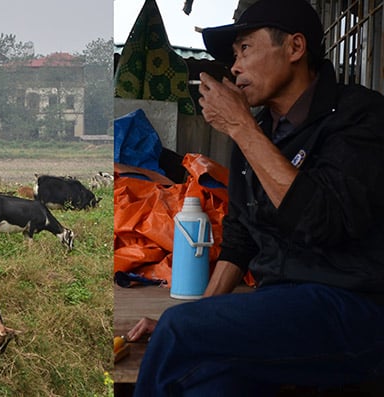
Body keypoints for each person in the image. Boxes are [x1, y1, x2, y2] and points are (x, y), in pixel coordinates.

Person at [129, 0, 384, 395]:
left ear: (295, 48)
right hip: (278, 308)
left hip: (352, 309)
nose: (234, 67)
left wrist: (242, 128)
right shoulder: (259, 129)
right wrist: (202, 316)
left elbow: (324, 219)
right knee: (207, 383)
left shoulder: (359, 116)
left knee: (180, 331)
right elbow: (240, 241)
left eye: (245, 49)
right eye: (233, 55)